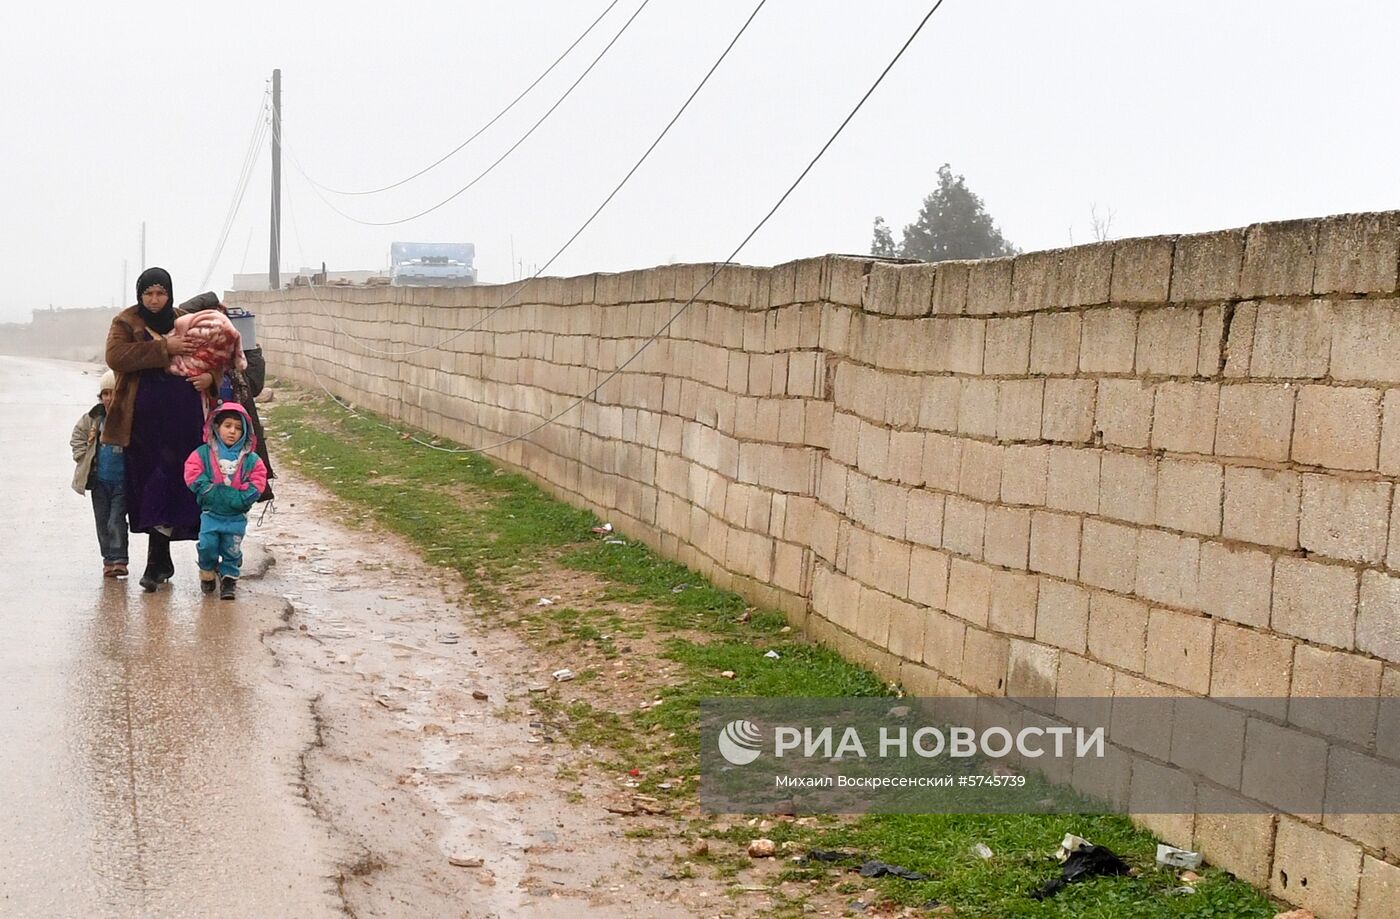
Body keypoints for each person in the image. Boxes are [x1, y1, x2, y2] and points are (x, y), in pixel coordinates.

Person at [104, 267, 224, 592]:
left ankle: (159, 562)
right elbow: (116, 357)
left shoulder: (186, 319)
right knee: (149, 486)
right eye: (148, 293)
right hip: (142, 423)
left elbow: (215, 355)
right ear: (139, 295)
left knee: (175, 483)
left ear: (170, 293)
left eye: (161, 293)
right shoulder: (125, 323)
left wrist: (211, 378)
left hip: (183, 420)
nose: (155, 300)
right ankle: (159, 559)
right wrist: (164, 349)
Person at [179, 291, 276, 501]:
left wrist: (250, 348)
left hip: (234, 450)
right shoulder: (188, 363)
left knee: (234, 505)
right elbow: (181, 310)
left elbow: (254, 385)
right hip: (203, 450)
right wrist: (212, 300)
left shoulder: (234, 363)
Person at [183, 402, 267, 600]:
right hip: (211, 512)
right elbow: (192, 471)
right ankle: (207, 572)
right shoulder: (203, 453)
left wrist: (243, 497)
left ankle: (229, 578)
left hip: (236, 514)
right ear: (216, 427)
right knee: (207, 545)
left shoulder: (250, 459)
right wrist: (207, 489)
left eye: (238, 428)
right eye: (227, 426)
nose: (232, 432)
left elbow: (258, 478)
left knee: (232, 547)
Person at [70, 369, 129, 577]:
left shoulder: (128, 419)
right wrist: (83, 457)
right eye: (105, 394)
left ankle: (120, 558)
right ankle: (108, 560)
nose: (109, 398)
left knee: (116, 520)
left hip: (122, 482)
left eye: (113, 393)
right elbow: (77, 436)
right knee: (102, 521)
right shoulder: (93, 419)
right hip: (99, 482)